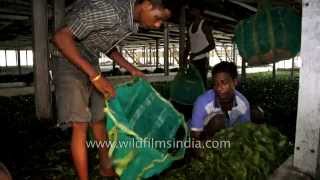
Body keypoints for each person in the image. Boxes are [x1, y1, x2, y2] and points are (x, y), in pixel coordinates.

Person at [52, 0, 171, 179]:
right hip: (66, 56)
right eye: (157, 18)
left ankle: (105, 168)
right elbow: (61, 37)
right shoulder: (110, 11)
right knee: (80, 123)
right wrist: (95, 76)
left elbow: (106, 46)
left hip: (89, 58)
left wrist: (131, 69)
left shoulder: (128, 20)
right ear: (146, 4)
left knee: (99, 117)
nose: (157, 25)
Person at [189, 61, 250, 140]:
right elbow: (195, 137)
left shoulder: (243, 104)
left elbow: (245, 132)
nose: (218, 88)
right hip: (201, 137)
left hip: (227, 138)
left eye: (223, 83)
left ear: (235, 82)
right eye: (215, 83)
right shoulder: (202, 102)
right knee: (218, 121)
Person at [183, 8, 215, 88]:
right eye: (190, 11)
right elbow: (189, 45)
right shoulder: (190, 27)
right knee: (193, 84)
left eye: (192, 10)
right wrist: (184, 57)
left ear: (198, 11)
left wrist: (196, 54)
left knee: (202, 83)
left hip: (202, 60)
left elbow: (212, 45)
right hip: (192, 60)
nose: (190, 12)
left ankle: (206, 99)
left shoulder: (204, 25)